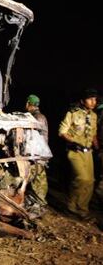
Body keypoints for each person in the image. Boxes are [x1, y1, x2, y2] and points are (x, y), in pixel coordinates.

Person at [58, 88, 98, 219]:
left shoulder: (93, 116)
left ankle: (82, 208)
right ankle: (71, 206)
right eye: (90, 99)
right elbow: (62, 131)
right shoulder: (72, 113)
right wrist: (74, 141)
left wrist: (98, 147)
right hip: (75, 151)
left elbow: (93, 134)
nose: (93, 102)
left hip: (89, 153)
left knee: (90, 181)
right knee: (82, 178)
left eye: (95, 99)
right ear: (82, 100)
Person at [26, 94, 49, 207]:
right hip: (40, 153)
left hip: (37, 154)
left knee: (37, 179)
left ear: (29, 104)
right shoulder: (40, 116)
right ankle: (37, 201)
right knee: (38, 178)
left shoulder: (36, 118)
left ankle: (39, 203)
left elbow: (35, 137)